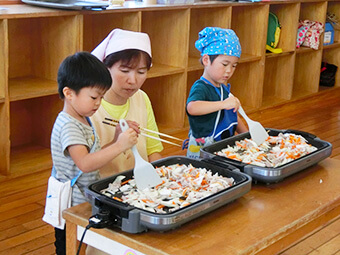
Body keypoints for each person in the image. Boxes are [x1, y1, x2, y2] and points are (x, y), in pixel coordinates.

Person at [50, 51, 138, 255]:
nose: (98, 103)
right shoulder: (69, 126)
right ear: (69, 93)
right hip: (70, 204)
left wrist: (116, 140)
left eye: (101, 97)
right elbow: (85, 163)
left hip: (82, 197)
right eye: (94, 97)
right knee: (67, 247)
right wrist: (120, 146)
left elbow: (94, 155)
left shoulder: (82, 118)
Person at [90, 28, 163, 178]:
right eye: (124, 71)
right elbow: (84, 165)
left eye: (141, 72)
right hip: (100, 188)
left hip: (139, 186)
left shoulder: (141, 98)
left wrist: (158, 179)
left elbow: (153, 151)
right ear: (106, 68)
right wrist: (117, 143)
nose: (133, 80)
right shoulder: (88, 107)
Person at [186, 27, 248, 158]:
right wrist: (222, 104)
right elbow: (192, 107)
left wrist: (247, 136)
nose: (229, 70)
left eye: (234, 66)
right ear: (206, 60)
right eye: (225, 64)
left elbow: (232, 115)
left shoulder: (222, 87)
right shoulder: (201, 87)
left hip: (221, 146)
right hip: (201, 149)